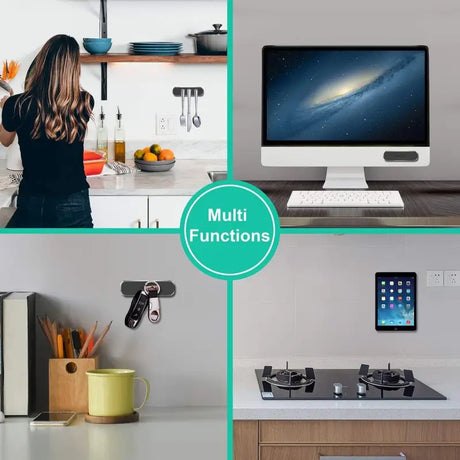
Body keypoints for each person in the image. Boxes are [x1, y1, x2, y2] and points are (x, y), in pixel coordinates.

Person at [0, 34, 94, 228]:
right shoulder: (84, 102)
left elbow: (5, 140)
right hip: (74, 200)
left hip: (33, 200)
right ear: (74, 68)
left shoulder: (16, 104)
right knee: (79, 257)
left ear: (41, 62)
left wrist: (5, 108)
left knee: (31, 255)